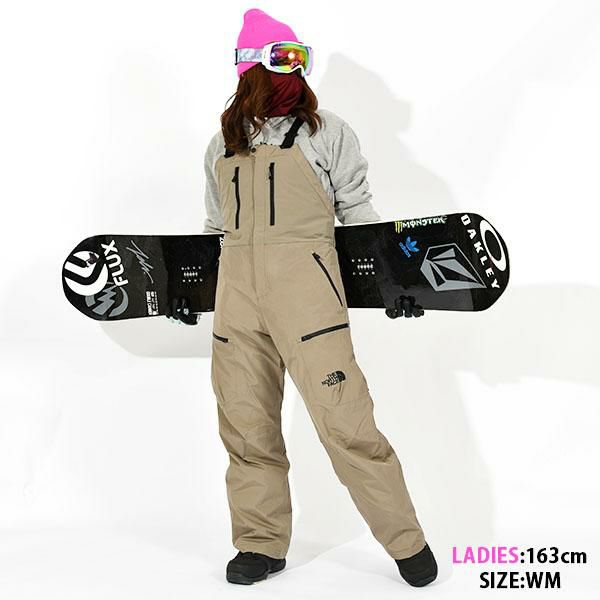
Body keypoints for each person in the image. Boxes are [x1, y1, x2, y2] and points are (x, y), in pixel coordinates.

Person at [170, 8, 438, 587]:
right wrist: (188, 290)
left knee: (347, 424)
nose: (293, 71)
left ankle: (406, 543)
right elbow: (216, 229)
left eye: (299, 58)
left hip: (310, 305)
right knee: (246, 427)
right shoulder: (222, 144)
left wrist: (393, 281)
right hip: (237, 308)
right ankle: (260, 543)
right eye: (282, 58)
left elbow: (359, 216)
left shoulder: (327, 133)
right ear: (250, 67)